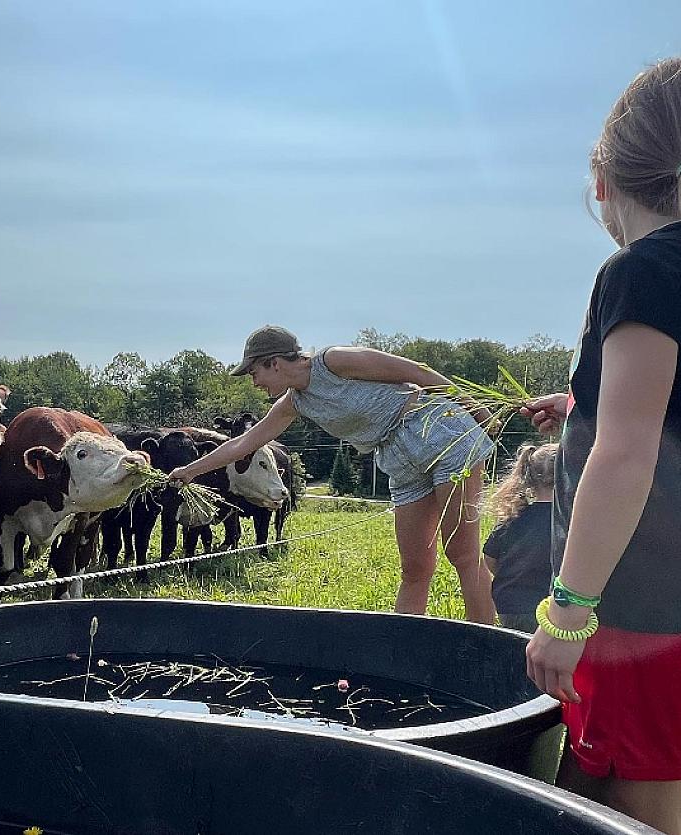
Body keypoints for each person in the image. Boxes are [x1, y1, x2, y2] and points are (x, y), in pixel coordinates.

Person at [522, 58, 681, 833]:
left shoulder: (642, 269)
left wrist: (569, 609)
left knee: (640, 800)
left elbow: (626, 453)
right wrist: (582, 402)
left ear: (604, 182)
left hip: (637, 607)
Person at [168, 324, 497, 623]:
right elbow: (242, 444)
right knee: (415, 567)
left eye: (254, 372)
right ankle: (404, 648)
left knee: (461, 552)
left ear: (274, 363)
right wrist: (190, 471)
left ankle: (478, 646)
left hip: (440, 433)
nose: (254, 382)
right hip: (398, 459)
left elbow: (417, 372)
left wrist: (478, 411)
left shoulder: (334, 361)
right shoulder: (294, 403)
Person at [483, 443, 558, 633]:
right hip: (548, 609)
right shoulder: (567, 520)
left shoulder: (513, 515)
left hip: (509, 605)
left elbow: (489, 558)